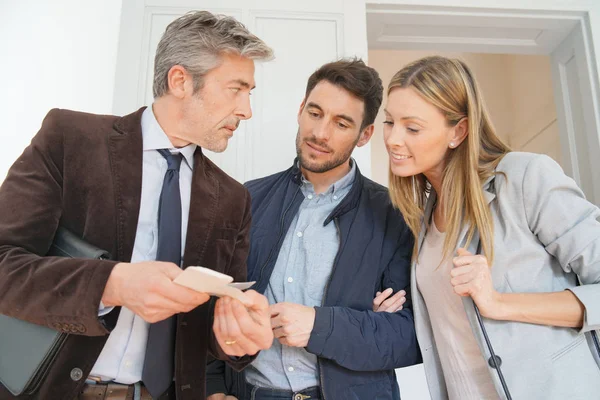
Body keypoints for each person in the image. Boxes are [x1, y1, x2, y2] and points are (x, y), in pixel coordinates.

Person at [0, 11, 275, 400]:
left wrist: (236, 336)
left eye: (250, 93)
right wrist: (112, 285)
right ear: (179, 80)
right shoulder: (70, 139)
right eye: (236, 89)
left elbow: (206, 326)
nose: (247, 110)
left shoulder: (233, 198)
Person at [383, 55, 600, 399]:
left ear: (458, 131)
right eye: (389, 121)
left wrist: (498, 302)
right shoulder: (423, 218)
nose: (393, 139)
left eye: (411, 127)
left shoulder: (525, 178)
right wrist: (390, 312)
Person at [206, 59, 420, 400]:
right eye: (315, 113)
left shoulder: (396, 215)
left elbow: (412, 337)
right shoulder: (247, 198)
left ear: (364, 135)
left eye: (341, 123)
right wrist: (213, 388)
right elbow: (213, 303)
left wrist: (321, 326)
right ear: (301, 109)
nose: (320, 133)